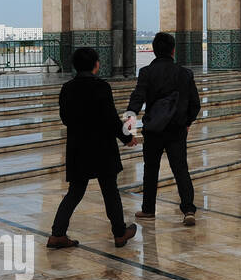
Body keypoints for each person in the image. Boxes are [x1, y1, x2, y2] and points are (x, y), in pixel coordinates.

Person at [47, 47, 139, 250]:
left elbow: (65, 119)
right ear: (96, 64)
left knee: (75, 192)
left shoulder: (67, 88)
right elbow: (111, 118)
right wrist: (126, 138)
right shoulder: (101, 87)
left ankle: (57, 234)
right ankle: (119, 233)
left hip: (78, 147)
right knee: (110, 190)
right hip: (102, 147)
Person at [127, 31, 201, 226]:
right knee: (181, 169)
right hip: (176, 129)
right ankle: (188, 209)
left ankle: (148, 209)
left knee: (151, 169)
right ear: (173, 50)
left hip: (153, 129)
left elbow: (136, 100)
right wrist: (187, 123)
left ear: (153, 50)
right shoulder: (184, 73)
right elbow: (195, 104)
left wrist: (128, 130)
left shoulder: (146, 73)